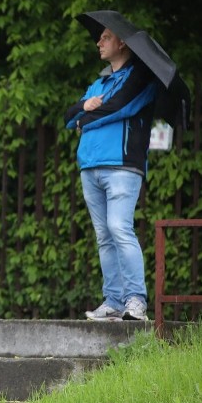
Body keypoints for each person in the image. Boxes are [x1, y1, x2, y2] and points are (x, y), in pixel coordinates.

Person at [65, 27, 157, 321]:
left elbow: (117, 107)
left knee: (119, 228)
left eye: (105, 37)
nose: (99, 42)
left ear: (122, 42)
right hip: (89, 167)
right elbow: (69, 117)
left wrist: (85, 121)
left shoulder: (141, 76)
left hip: (121, 165)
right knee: (104, 236)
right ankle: (114, 300)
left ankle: (135, 301)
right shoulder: (99, 82)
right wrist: (83, 108)